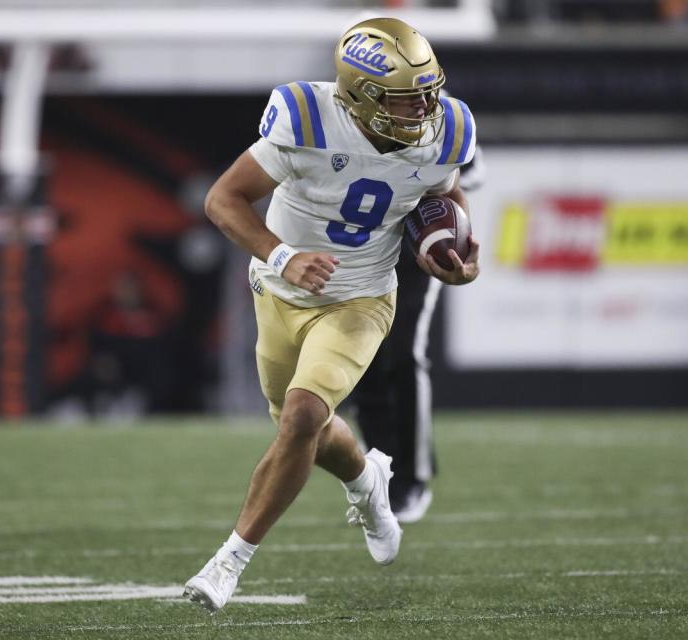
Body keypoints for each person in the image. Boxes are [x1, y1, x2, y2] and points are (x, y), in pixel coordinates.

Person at [183, 17, 480, 613]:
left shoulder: (447, 127)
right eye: (407, 97)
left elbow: (443, 194)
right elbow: (223, 199)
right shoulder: (306, 118)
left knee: (301, 417)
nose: (425, 107)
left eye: (428, 90)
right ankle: (367, 481)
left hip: (362, 297)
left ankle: (229, 561)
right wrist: (282, 254)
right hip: (279, 290)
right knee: (308, 433)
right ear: (361, 96)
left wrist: (457, 251)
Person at [353, 145, 485, 524]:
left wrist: (427, 185)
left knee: (405, 352)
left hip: (418, 249)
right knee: (363, 356)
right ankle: (380, 463)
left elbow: (473, 172)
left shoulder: (442, 114)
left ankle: (412, 476)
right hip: (362, 248)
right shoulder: (350, 109)